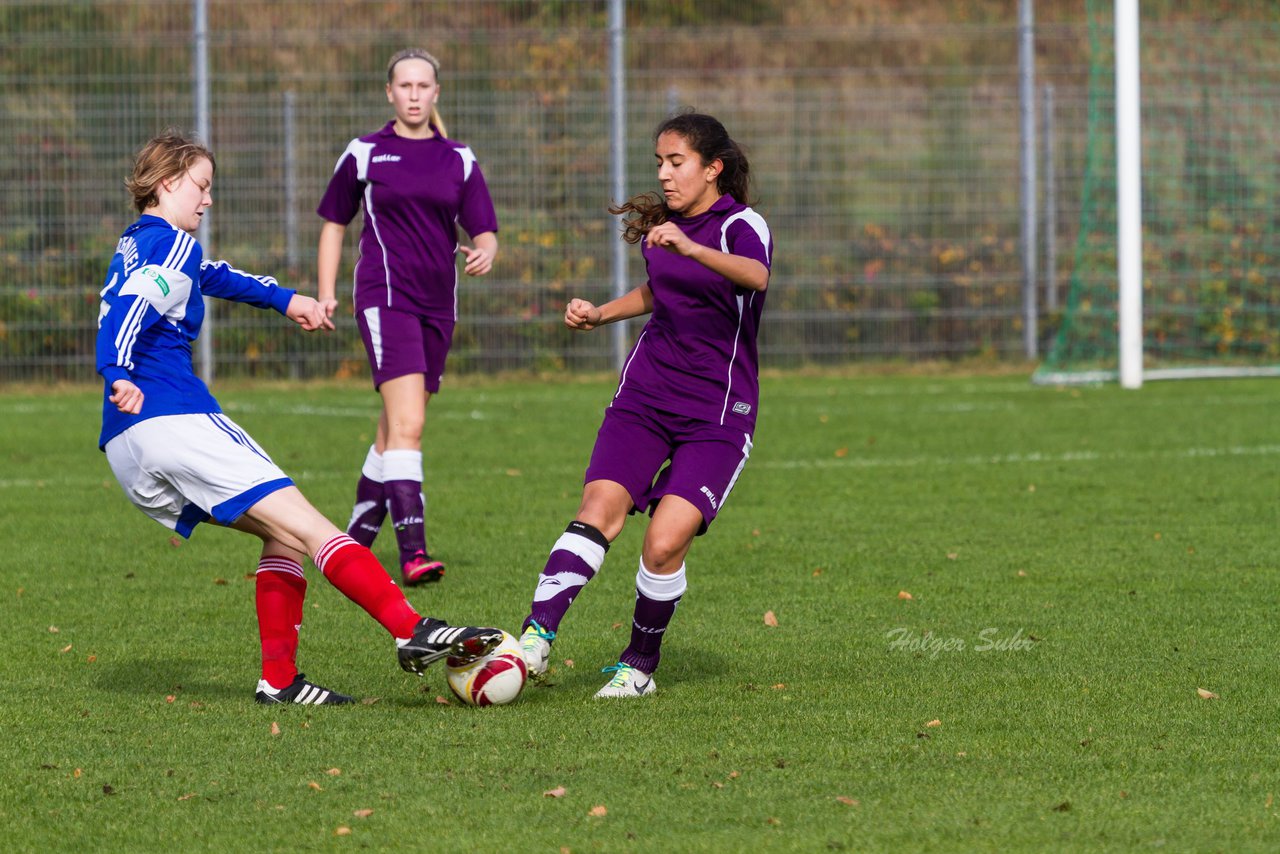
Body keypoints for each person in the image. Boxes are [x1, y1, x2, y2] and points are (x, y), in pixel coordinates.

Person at [96, 130, 502, 705]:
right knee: (312, 527)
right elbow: (136, 308)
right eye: (201, 186)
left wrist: (288, 300)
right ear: (167, 183)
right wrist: (116, 371)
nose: (208, 200)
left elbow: (213, 277)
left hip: (126, 448)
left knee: (281, 538)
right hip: (171, 417)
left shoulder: (139, 242)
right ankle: (412, 629)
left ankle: (280, 681)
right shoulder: (170, 245)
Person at [516, 112, 773, 698]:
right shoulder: (667, 227)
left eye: (676, 162)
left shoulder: (741, 225)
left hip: (717, 413)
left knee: (662, 543)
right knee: (599, 509)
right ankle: (536, 636)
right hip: (646, 396)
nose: (663, 173)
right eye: (659, 161)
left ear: (713, 168)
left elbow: (755, 276)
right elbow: (663, 289)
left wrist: (691, 246)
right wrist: (601, 313)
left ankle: (638, 665)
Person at [316, 47, 499, 587]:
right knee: (410, 425)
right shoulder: (366, 153)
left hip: (438, 304)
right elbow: (333, 222)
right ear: (389, 92)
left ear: (436, 93)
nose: (415, 95)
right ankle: (413, 552)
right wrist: (326, 292)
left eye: (424, 86)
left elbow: (484, 228)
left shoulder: (458, 158)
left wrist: (487, 249)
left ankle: (349, 544)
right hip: (384, 297)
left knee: (392, 430)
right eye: (405, 86)